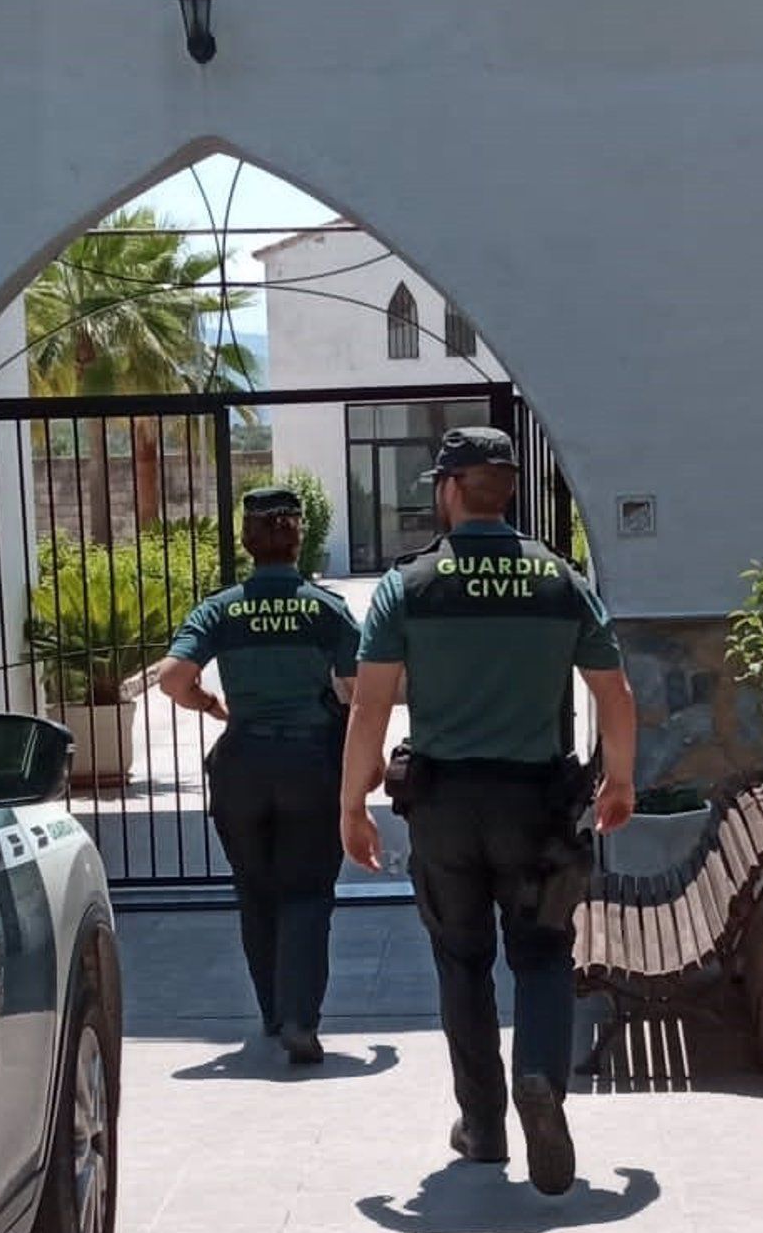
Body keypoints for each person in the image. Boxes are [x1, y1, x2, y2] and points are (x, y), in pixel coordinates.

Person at [339, 428, 636, 1194]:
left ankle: (483, 1125)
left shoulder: (409, 585)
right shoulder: (560, 581)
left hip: (443, 807)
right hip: (535, 803)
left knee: (462, 963)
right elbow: (614, 693)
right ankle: (539, 1077)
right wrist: (620, 782)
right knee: (541, 954)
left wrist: (353, 802)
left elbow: (371, 704)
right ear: (507, 491)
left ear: (448, 488)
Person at [159, 487, 362, 1065]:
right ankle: (300, 1017)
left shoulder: (221, 609)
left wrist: (208, 704)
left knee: (255, 890)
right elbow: (358, 688)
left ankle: (272, 1010)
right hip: (310, 763)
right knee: (307, 891)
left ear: (247, 541)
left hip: (242, 763)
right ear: (298, 538)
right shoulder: (324, 608)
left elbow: (172, 677)